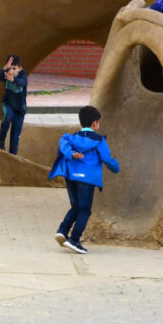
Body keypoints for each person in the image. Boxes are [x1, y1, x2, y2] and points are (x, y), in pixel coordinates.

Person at [48, 106, 120, 255]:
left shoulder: (72, 137)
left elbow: (63, 142)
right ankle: (74, 239)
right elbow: (106, 158)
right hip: (87, 179)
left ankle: (62, 231)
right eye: (98, 122)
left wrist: (71, 153)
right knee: (85, 209)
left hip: (71, 177)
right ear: (95, 123)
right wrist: (116, 167)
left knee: (75, 206)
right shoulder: (99, 141)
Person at [0, 54, 28, 154]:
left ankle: (12, 157)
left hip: (20, 110)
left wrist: (14, 80)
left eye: (14, 69)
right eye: (10, 69)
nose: (11, 72)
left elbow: (23, 82)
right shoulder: (7, 74)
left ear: (20, 68)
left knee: (15, 138)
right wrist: (5, 68)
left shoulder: (23, 75)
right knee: (8, 116)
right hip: (8, 104)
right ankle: (1, 139)